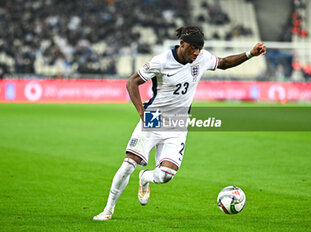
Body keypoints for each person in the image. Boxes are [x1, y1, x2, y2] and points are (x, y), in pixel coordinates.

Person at [93, 26, 266, 221]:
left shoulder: (201, 58)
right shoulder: (161, 61)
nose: (196, 53)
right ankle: (108, 211)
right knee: (128, 165)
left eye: (200, 48)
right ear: (182, 44)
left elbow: (224, 63)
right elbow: (132, 82)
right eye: (193, 48)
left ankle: (145, 178)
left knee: (166, 175)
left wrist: (251, 53)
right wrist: (142, 114)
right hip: (154, 118)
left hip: (178, 123)